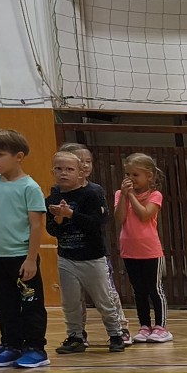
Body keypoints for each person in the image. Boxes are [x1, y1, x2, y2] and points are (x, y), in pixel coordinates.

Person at [0, 128, 50, 370]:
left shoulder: (30, 187)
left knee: (30, 305)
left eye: (0, 154)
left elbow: (36, 224)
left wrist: (31, 259)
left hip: (20, 257)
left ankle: (36, 348)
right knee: (4, 304)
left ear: (18, 157)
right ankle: (11, 344)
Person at [48, 149, 130, 355]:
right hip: (66, 258)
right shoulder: (53, 196)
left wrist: (71, 214)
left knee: (104, 300)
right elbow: (52, 229)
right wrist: (59, 218)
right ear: (52, 172)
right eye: (59, 169)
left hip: (92, 258)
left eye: (69, 169)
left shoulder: (91, 194)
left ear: (80, 173)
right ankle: (75, 336)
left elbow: (97, 223)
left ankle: (115, 334)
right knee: (70, 302)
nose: (63, 173)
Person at [115, 153, 171, 343]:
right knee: (139, 291)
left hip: (150, 250)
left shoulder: (155, 195)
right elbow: (120, 218)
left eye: (135, 175)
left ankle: (161, 327)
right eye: (127, 174)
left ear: (149, 176)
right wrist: (124, 195)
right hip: (129, 250)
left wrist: (131, 195)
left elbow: (145, 215)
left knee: (155, 289)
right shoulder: (120, 194)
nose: (130, 179)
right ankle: (144, 325)